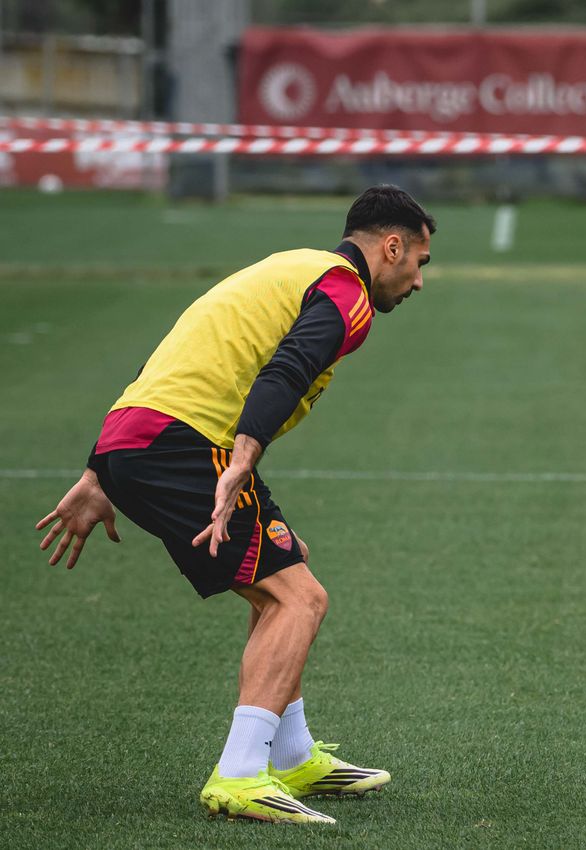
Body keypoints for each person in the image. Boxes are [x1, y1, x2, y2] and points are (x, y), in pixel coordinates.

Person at [36, 185, 437, 824]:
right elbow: (288, 369)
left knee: (289, 563)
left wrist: (100, 468)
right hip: (185, 445)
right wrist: (244, 456)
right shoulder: (345, 294)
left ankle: (293, 752)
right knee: (299, 598)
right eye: (418, 261)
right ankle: (241, 773)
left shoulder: (293, 267)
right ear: (392, 247)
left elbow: (182, 352)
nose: (418, 280)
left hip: (144, 433)